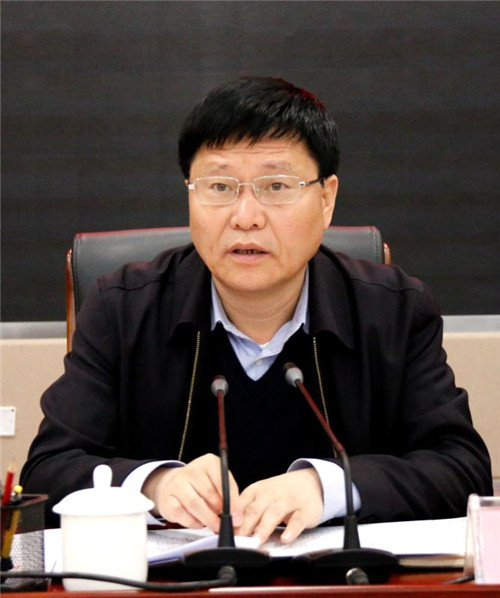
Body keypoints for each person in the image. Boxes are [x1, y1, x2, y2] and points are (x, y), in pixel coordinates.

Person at [21, 76, 492, 542]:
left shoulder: (393, 311)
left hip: (339, 579)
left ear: (326, 199)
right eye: (219, 186)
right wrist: (155, 485)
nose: (246, 217)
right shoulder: (123, 309)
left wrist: (328, 487)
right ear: (190, 194)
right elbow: (47, 470)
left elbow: (461, 469)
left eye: (276, 185)